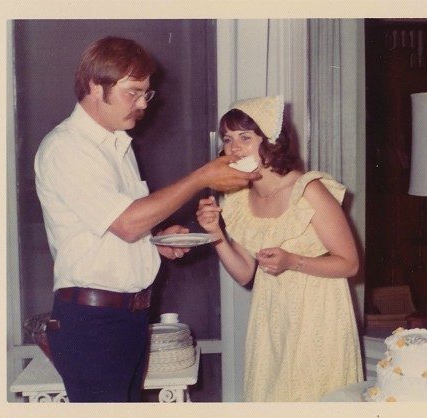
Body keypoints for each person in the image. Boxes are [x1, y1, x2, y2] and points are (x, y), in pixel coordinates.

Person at [34, 36, 260, 402]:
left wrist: (156, 241)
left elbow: (122, 228)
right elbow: (126, 223)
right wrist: (202, 176)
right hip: (92, 323)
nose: (142, 104)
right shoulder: (67, 147)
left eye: (146, 94)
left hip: (128, 318)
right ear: (95, 86)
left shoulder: (117, 145)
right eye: (133, 92)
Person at [196, 95, 364, 401]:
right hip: (271, 317)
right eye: (228, 139)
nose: (233, 149)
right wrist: (214, 233)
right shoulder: (237, 199)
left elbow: (350, 264)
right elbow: (245, 273)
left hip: (318, 314)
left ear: (271, 142)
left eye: (245, 138)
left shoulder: (309, 190)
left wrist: (292, 261)